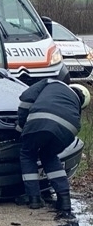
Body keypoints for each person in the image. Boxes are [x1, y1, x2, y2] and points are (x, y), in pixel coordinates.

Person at [16, 80, 89, 217]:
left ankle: (34, 198)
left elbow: (26, 98)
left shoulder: (52, 82)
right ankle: (64, 200)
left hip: (40, 120)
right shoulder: (74, 105)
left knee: (28, 153)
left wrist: (21, 126)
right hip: (68, 129)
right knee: (49, 156)